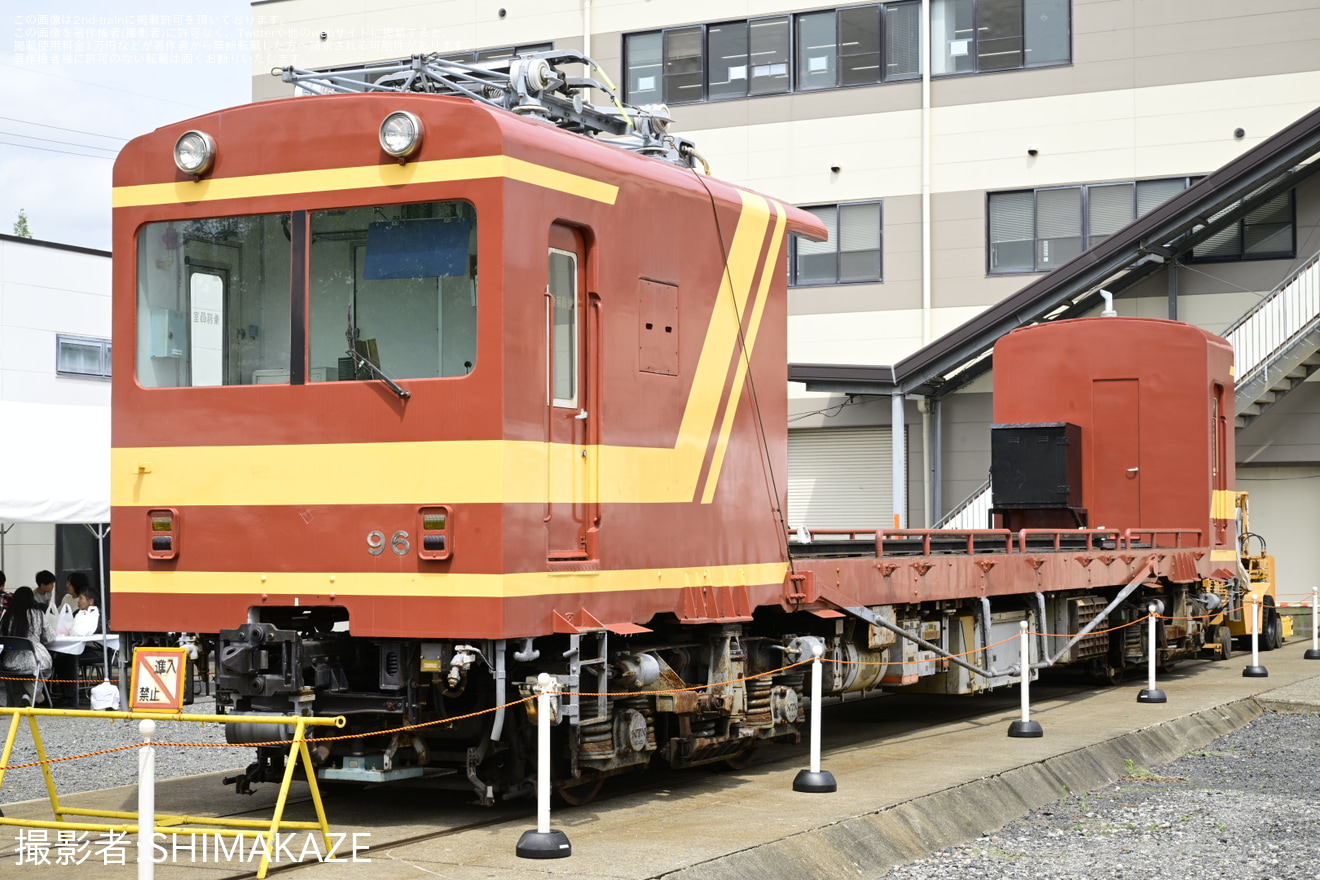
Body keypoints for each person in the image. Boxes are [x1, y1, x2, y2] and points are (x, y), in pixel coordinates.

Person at [0, 586, 55, 707]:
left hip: (11, 660)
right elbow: (50, 637)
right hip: (34, 658)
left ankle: (21, 699)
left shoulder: (7, 615)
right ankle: (33, 691)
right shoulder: (38, 614)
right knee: (46, 669)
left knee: (15, 676)